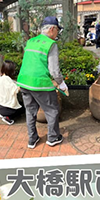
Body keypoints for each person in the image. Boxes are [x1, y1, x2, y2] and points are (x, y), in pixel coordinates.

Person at [17, 16, 68, 149]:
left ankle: (32, 139)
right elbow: (54, 70)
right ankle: (53, 137)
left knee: (30, 111)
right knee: (52, 110)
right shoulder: (51, 44)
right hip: (40, 84)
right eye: (57, 30)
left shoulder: (31, 41)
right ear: (52, 29)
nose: (57, 34)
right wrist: (61, 83)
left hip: (24, 82)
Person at [0, 60, 23, 125]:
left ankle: (4, 115)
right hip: (6, 108)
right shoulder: (6, 79)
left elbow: (13, 84)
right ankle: (8, 117)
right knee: (22, 109)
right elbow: (16, 89)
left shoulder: (1, 77)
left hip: (0, 106)